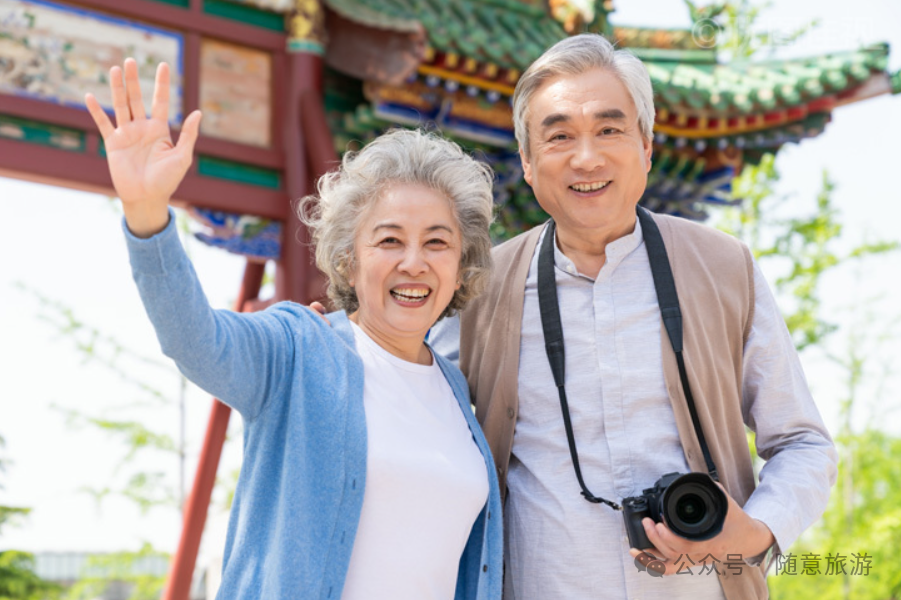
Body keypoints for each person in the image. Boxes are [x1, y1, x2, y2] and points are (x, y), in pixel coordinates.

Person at [429, 33, 837, 599]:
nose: (586, 157)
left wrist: (759, 528)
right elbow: (411, 411)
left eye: (609, 129)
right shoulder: (478, 287)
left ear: (646, 146)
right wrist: (338, 340)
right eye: (559, 136)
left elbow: (803, 442)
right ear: (526, 161)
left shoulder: (722, 267)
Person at [85, 59, 502, 600]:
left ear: (460, 265)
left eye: (438, 242)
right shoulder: (298, 350)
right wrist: (148, 217)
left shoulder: (456, 392)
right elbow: (195, 340)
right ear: (349, 261)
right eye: (390, 240)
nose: (414, 262)